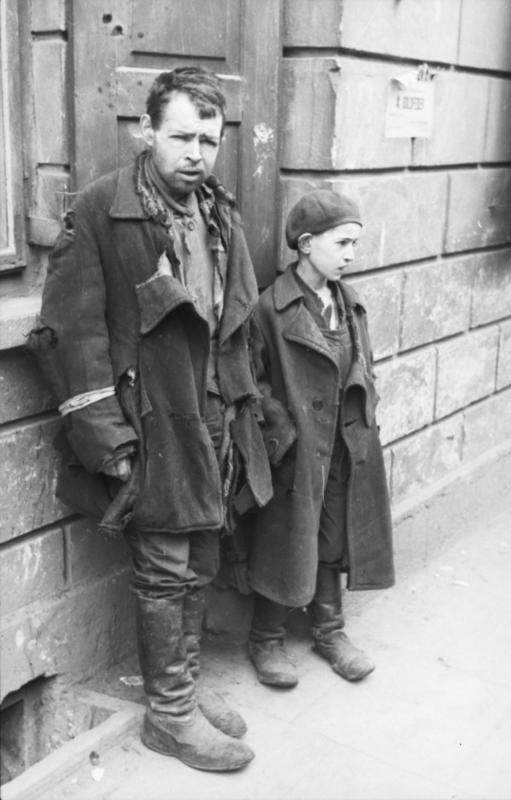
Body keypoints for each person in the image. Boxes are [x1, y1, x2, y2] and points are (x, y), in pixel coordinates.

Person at [29, 66, 272, 772]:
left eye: (208, 138)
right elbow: (71, 337)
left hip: (211, 419)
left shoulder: (217, 209)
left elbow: (233, 321)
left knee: (199, 560)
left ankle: (185, 693)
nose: (196, 152)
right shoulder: (103, 209)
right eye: (181, 137)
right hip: (151, 424)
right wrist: (113, 445)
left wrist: (243, 410)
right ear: (146, 131)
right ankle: (169, 716)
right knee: (166, 568)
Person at [247, 189, 395, 689]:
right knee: (283, 538)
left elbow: (363, 367)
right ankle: (265, 638)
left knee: (334, 535)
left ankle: (329, 631)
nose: (351, 255)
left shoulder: (349, 305)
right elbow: (254, 379)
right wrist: (280, 431)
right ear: (306, 244)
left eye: (355, 244)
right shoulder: (271, 307)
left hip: (342, 448)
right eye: (343, 243)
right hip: (294, 454)